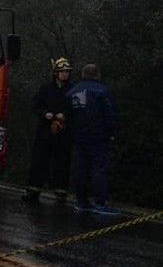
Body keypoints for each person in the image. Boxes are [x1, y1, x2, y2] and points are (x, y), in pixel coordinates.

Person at [66, 63, 120, 215]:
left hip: (79, 136)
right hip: (99, 136)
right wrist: (112, 131)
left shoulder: (72, 92)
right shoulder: (102, 91)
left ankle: (81, 201)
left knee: (81, 168)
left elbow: (68, 116)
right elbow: (109, 114)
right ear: (97, 74)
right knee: (99, 168)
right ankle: (100, 202)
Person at [22, 57, 74, 202]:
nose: (65, 74)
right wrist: (45, 114)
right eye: (62, 71)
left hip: (63, 132)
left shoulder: (72, 90)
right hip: (44, 131)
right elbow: (35, 106)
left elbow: (75, 109)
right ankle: (33, 190)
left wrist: (65, 115)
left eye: (67, 72)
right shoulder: (46, 88)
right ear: (56, 73)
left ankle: (61, 192)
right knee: (39, 160)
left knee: (62, 162)